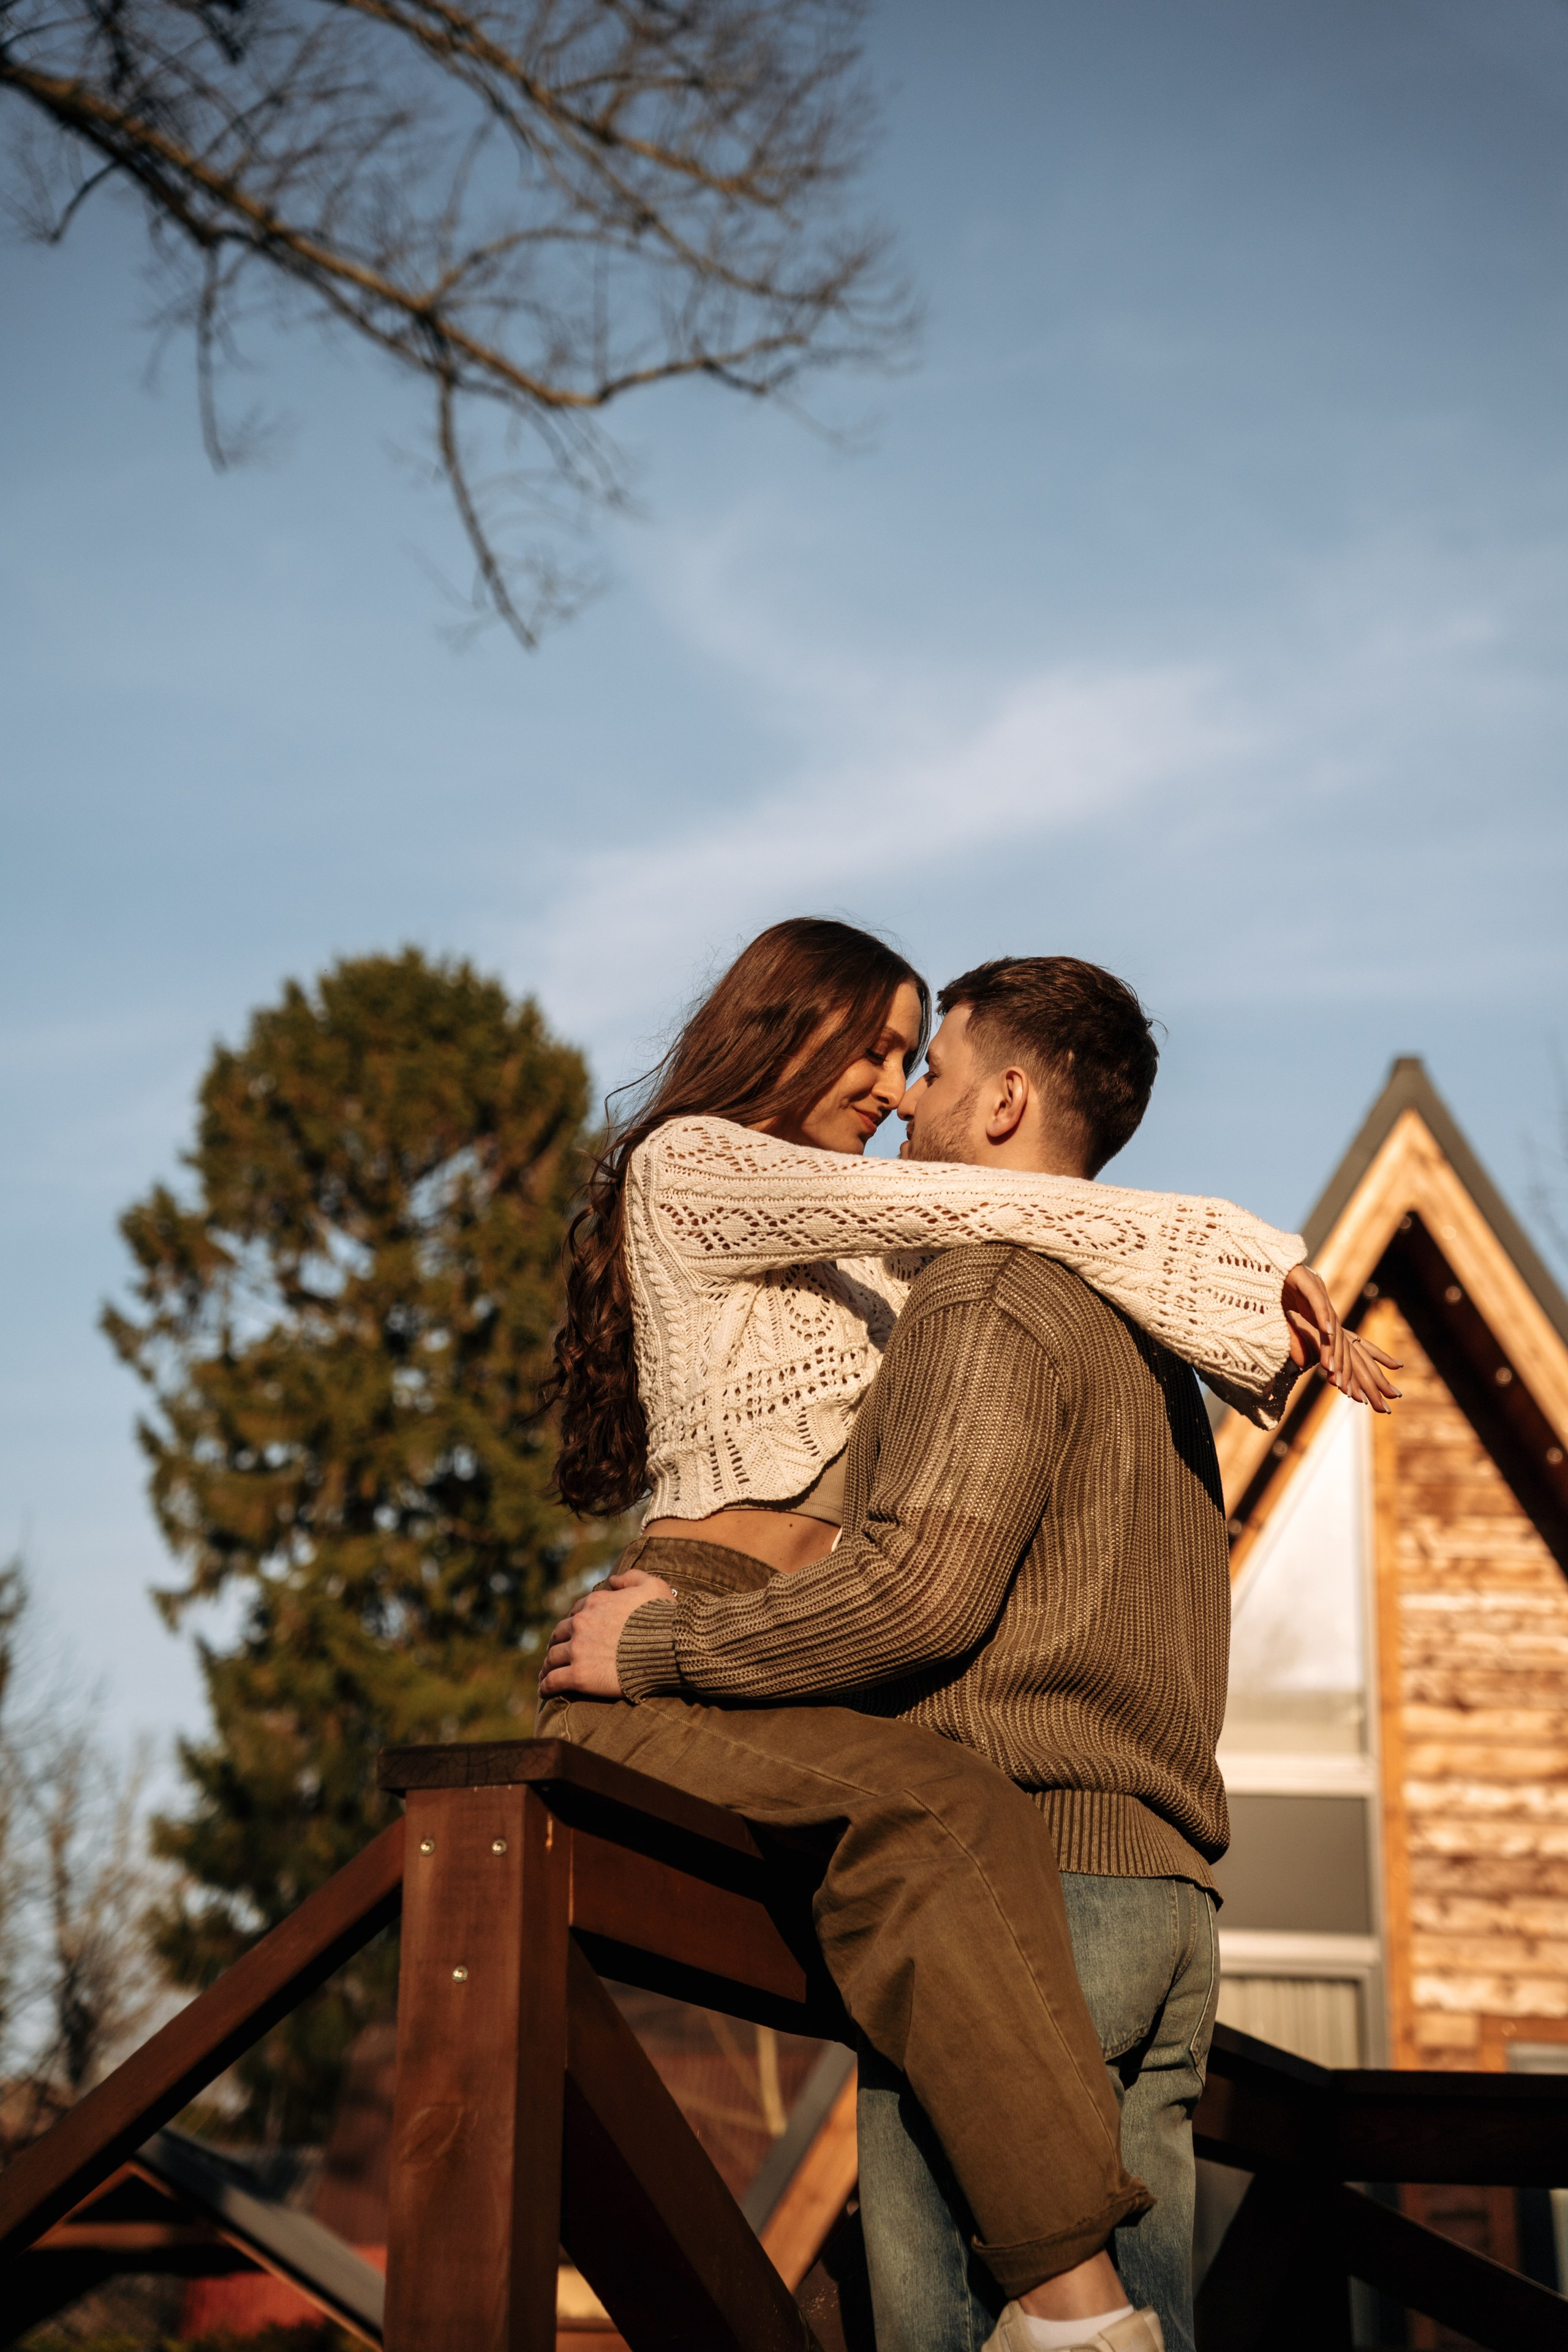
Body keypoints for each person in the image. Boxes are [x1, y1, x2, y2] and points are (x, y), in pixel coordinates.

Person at [537, 921, 1395, 2352]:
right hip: (667, 1638)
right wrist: (1253, 1263)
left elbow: (1031, 1226)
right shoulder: (697, 1167)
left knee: (941, 1816)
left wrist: (1237, 1285)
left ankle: (1077, 2309)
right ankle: (1080, 2308)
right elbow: (1045, 1214)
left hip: (785, 1680)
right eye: (873, 1049)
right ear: (782, 1027)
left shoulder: (917, 1258)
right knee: (937, 1810)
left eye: (911, 1056)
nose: (889, 1087)